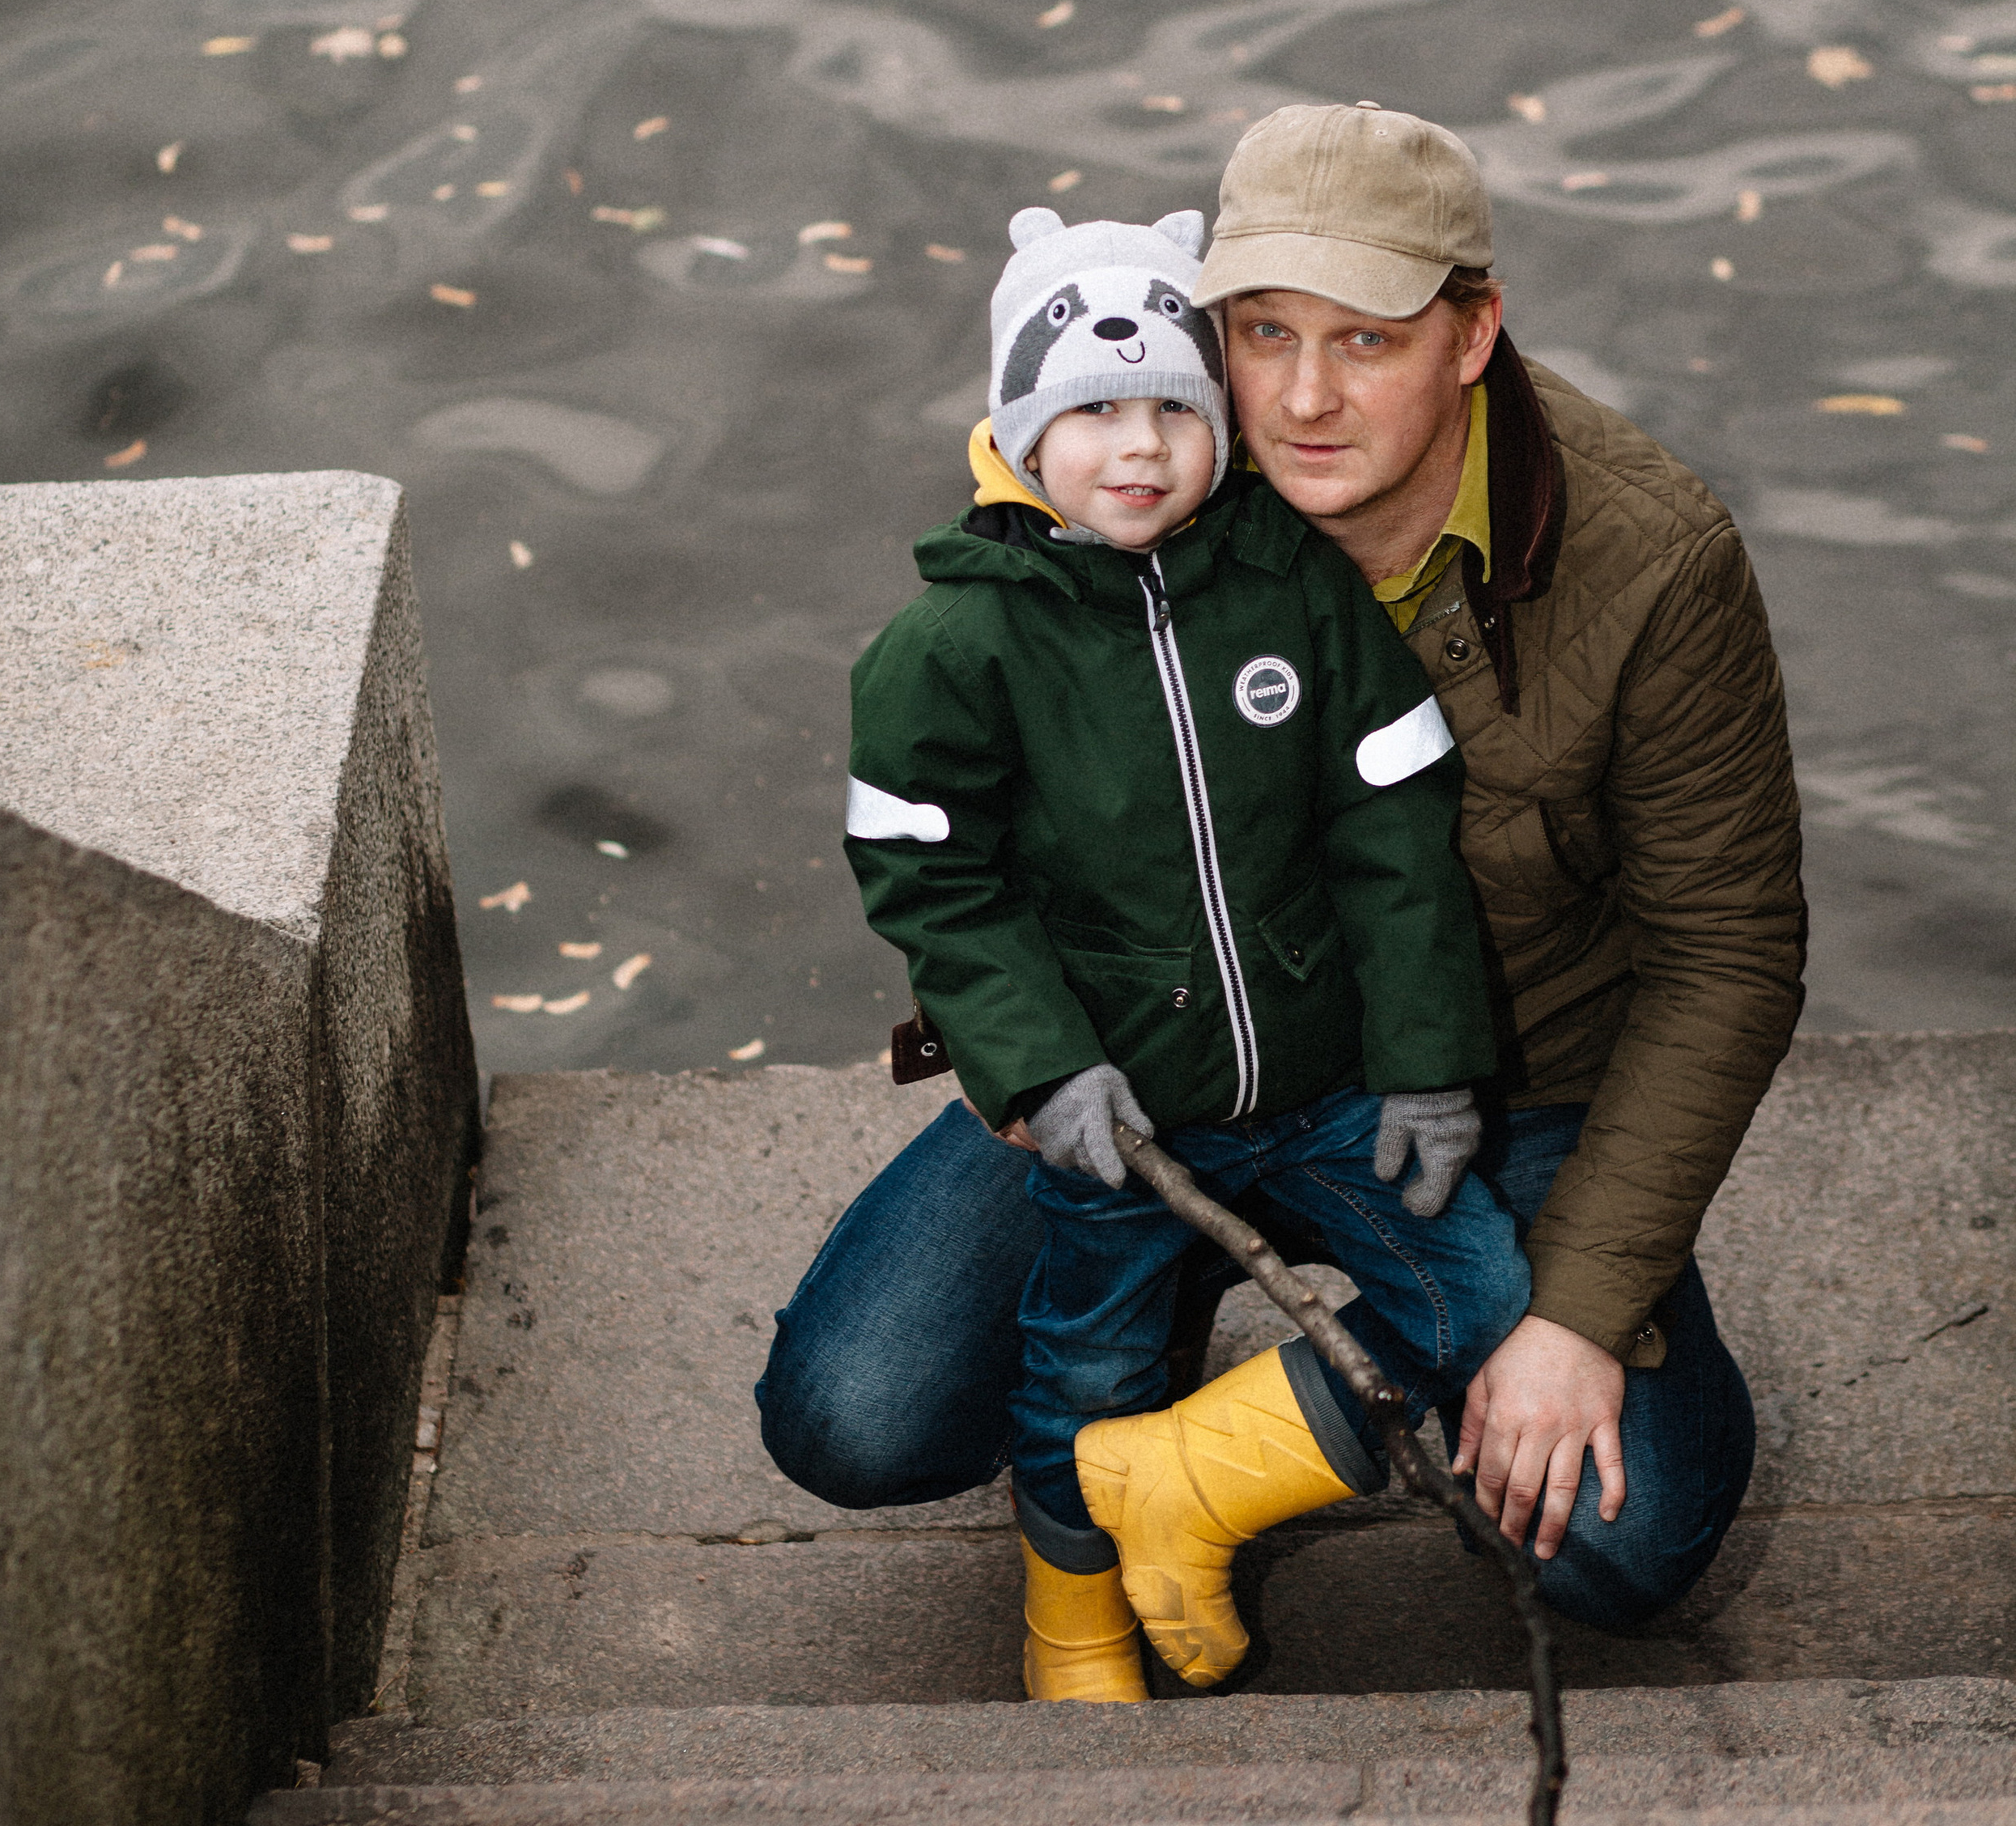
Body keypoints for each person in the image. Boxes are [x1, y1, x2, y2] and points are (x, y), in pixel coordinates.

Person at [760, 103, 1804, 1641]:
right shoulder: (1138, 452)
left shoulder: (1654, 560)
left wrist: (1584, 1312)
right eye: (1264, 334)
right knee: (858, 1418)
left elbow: (1729, 956)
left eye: (1367, 341)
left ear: (1472, 333)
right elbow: (951, 824)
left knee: (1614, 1540)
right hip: (1150, 1051)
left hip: (1495, 1084)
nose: (1305, 398)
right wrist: (1028, 1055)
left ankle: (1209, 1459)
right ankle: (1164, 1287)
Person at [834, 200, 1529, 1699]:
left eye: (1173, 409)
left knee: (1477, 1294)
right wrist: (1041, 1069)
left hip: (1329, 1086)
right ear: (1019, 430)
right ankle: (1074, 1617)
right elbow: (932, 884)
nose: (1138, 448)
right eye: (1092, 412)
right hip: (1124, 1109)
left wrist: (1426, 1061)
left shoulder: (1294, 588)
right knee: (1081, 1361)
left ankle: (1198, 1475)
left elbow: (1395, 827)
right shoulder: (950, 650)